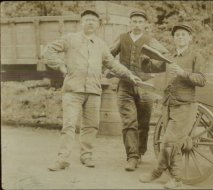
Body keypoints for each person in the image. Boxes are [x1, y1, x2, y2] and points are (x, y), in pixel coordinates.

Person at [43, 10, 140, 171]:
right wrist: (60, 65)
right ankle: (62, 159)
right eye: (87, 20)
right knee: (69, 125)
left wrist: (129, 74)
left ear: (98, 25)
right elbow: (49, 50)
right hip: (73, 90)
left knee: (92, 125)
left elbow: (112, 64)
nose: (90, 22)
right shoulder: (70, 39)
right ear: (81, 23)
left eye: (94, 20)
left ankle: (86, 155)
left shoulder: (101, 44)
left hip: (94, 91)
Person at [138, 24, 206, 189]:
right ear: (174, 39)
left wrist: (184, 73)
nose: (180, 37)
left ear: (190, 38)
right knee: (172, 142)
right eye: (177, 35)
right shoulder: (170, 56)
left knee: (169, 141)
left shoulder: (196, 56)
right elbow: (149, 68)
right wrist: (145, 59)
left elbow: (202, 80)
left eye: (183, 35)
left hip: (185, 105)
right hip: (168, 104)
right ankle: (173, 176)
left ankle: (160, 172)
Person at [110, 10, 168, 171]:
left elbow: (165, 56)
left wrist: (151, 66)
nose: (136, 24)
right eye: (134, 21)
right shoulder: (122, 38)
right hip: (125, 85)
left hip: (146, 86)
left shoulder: (150, 40)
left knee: (143, 123)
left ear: (145, 24)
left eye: (140, 21)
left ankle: (140, 152)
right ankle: (132, 156)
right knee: (129, 122)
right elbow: (108, 55)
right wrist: (113, 69)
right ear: (130, 23)